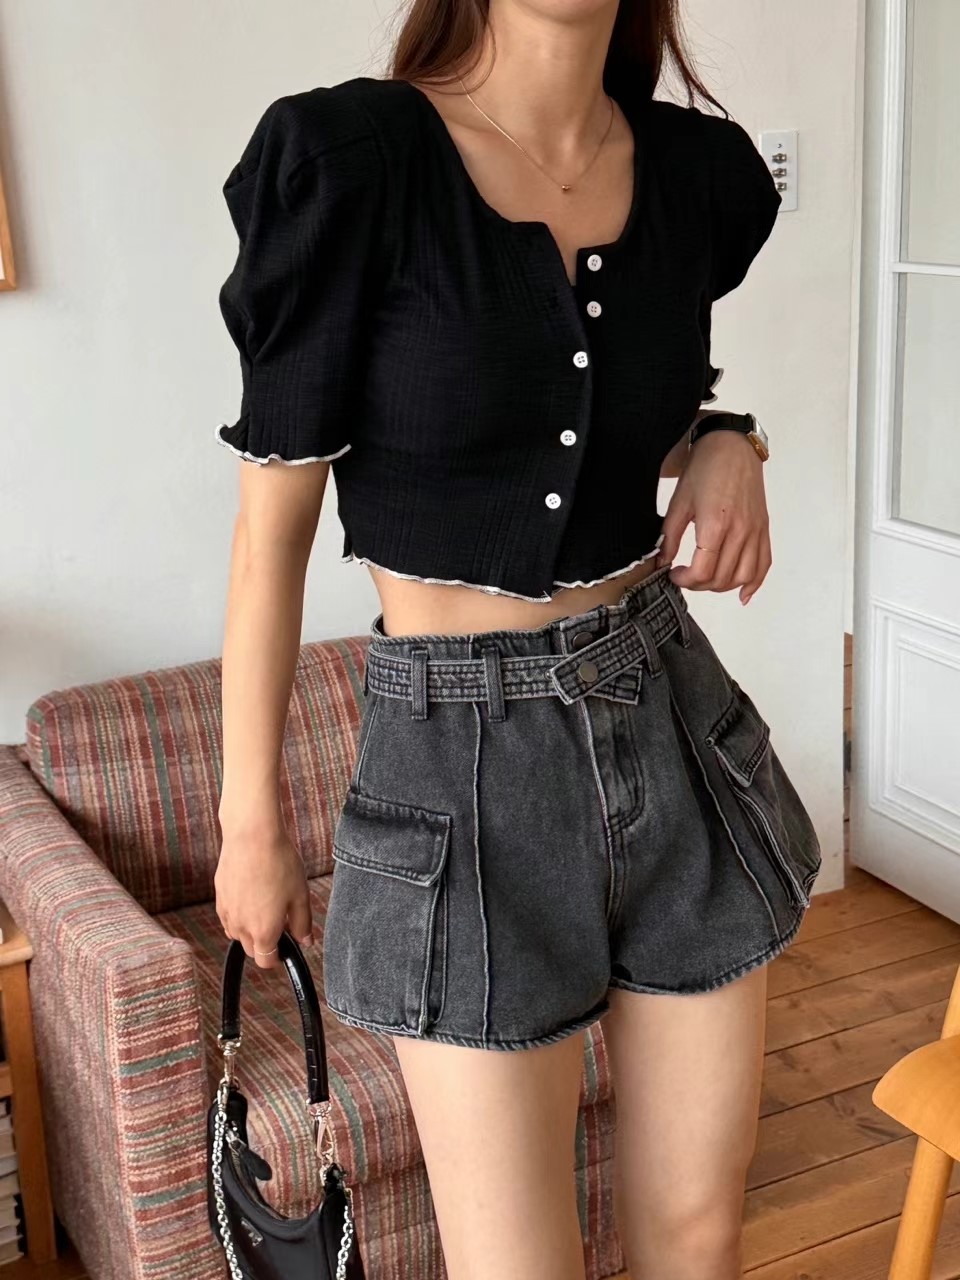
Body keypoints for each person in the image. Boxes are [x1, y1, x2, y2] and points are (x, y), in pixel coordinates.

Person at [212, 2, 822, 1277]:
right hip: (458, 764)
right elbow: (271, 537)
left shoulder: (693, 173)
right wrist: (248, 822)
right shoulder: (354, 164)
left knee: (699, 1234)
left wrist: (729, 439)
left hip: (670, 715)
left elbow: (603, 410)